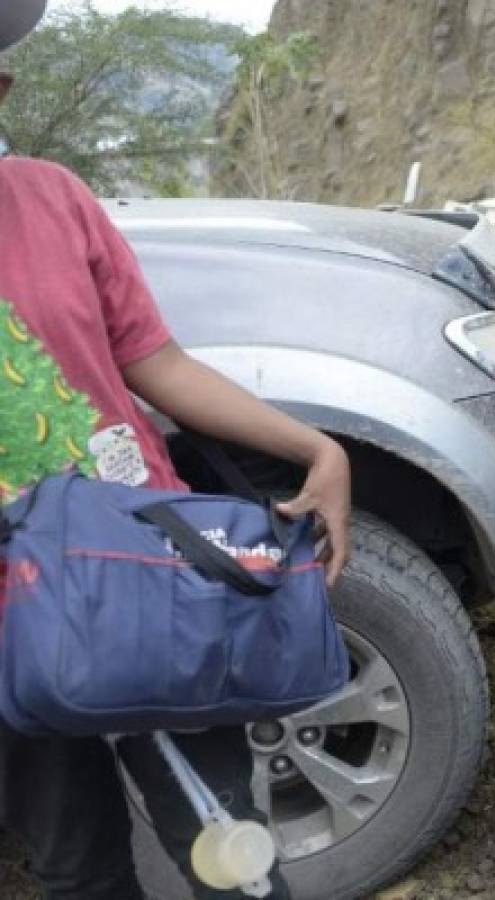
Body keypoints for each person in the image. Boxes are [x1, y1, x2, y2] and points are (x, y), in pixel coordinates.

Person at [0, 5, 352, 896]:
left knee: (229, 847)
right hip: (14, 614)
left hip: (144, 574)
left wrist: (316, 448)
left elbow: (153, 360)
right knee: (75, 865)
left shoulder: (52, 198)